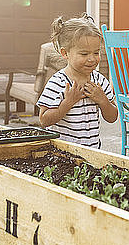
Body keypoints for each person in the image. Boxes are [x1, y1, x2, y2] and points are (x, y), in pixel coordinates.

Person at [37, 14, 118, 148]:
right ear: (65, 53)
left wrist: (102, 100)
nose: (92, 59)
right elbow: (44, 120)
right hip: (63, 153)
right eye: (84, 54)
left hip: (92, 151)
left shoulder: (99, 81)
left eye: (96, 53)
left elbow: (112, 117)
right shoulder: (58, 83)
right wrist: (67, 103)